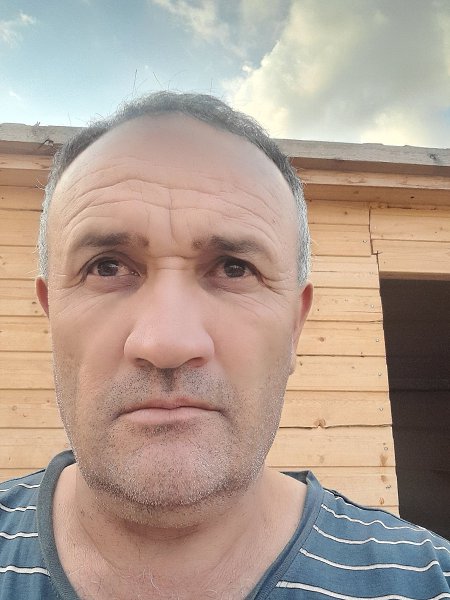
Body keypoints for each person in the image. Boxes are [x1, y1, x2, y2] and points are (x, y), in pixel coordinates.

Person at [0, 92, 449, 600]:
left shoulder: (430, 582)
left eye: (235, 268)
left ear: (295, 325)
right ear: (51, 313)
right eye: (106, 267)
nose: (166, 343)